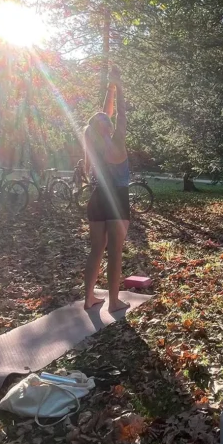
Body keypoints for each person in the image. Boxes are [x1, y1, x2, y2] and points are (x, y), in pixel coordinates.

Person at [83, 65, 130, 311]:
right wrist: (119, 86)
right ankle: (113, 302)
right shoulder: (118, 140)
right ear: (108, 127)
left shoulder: (93, 144)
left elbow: (103, 114)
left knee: (96, 250)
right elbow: (119, 114)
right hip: (118, 201)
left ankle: (89, 298)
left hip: (97, 198)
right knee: (115, 252)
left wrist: (110, 88)